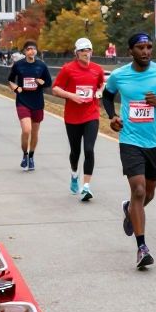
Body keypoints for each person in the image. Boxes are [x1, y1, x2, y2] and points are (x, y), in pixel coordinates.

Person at [101, 32, 156, 269]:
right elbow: (107, 97)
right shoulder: (119, 75)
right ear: (131, 51)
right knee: (138, 190)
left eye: (149, 47)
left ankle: (129, 210)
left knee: (148, 194)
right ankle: (142, 248)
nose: (146, 51)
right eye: (140, 47)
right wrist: (113, 116)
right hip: (130, 140)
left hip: (155, 143)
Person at [52, 38, 106, 201]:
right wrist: (71, 96)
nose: (86, 53)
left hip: (91, 114)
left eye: (88, 50)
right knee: (75, 151)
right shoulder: (68, 69)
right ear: (76, 53)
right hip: (73, 117)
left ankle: (86, 186)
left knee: (89, 149)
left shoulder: (97, 69)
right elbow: (55, 89)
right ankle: (74, 174)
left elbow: (101, 84)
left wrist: (100, 91)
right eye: (82, 50)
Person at [7, 40, 52, 171]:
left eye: (33, 49)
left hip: (37, 102)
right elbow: (10, 79)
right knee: (26, 130)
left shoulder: (41, 65)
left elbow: (48, 82)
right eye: (28, 49)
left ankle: (31, 156)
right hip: (23, 101)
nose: (31, 51)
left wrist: (42, 82)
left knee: (35, 132)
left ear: (36, 51)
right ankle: (24, 155)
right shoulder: (18, 65)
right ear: (25, 52)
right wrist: (16, 89)